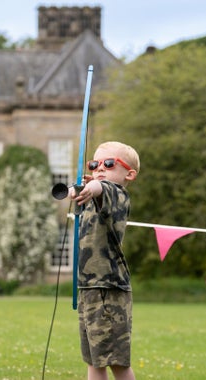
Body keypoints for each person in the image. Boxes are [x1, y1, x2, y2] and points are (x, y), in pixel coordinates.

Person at [68, 141, 139, 380]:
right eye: (95, 164)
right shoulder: (93, 197)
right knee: (93, 360)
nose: (100, 168)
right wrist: (81, 189)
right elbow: (96, 188)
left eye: (109, 164)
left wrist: (95, 185)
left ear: (129, 174)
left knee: (116, 361)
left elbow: (103, 188)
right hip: (90, 287)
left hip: (108, 289)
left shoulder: (118, 195)